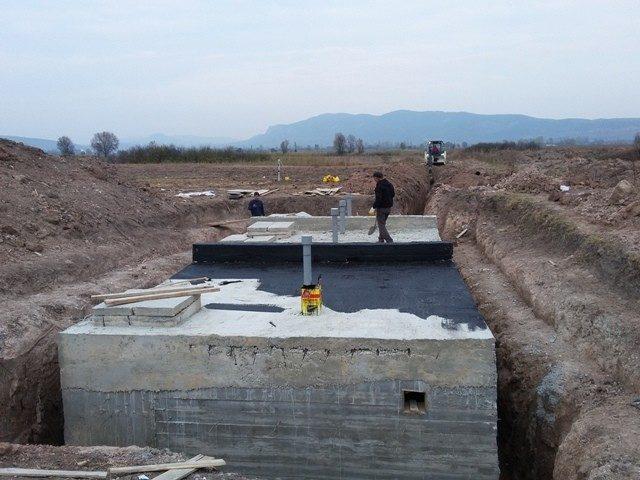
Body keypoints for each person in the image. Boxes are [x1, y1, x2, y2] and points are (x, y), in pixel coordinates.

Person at [372, 171, 395, 243]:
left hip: (381, 208)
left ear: (376, 178)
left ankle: (389, 240)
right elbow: (393, 194)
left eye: (374, 178)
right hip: (388, 208)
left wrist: (374, 206)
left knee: (381, 225)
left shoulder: (379, 186)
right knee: (382, 224)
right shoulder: (389, 184)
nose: (374, 180)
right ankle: (381, 239)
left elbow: (378, 198)